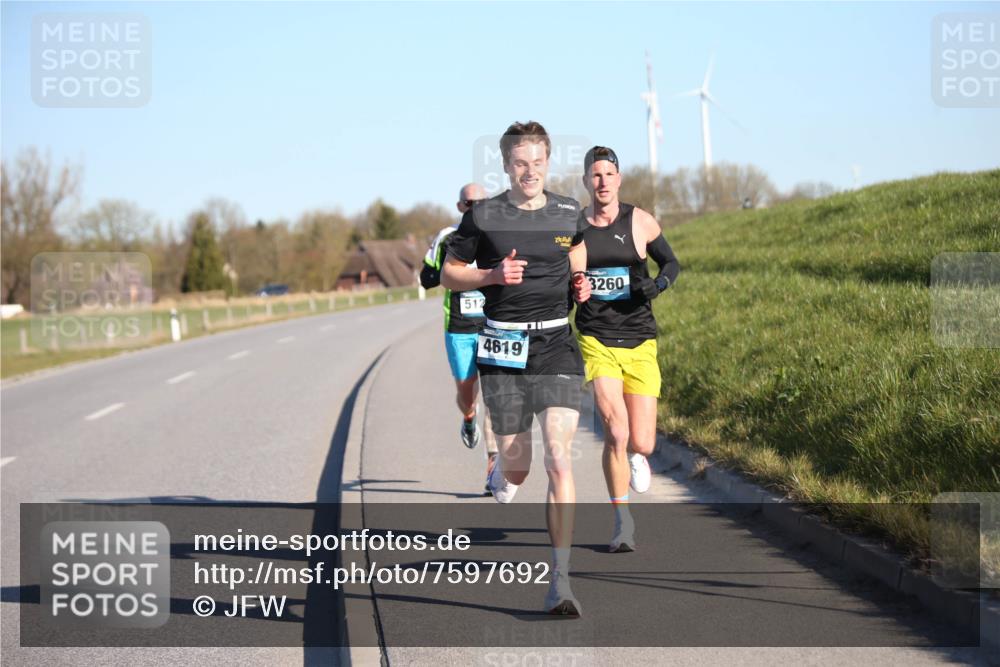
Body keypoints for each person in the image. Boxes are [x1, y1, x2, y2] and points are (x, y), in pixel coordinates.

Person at [442, 121, 591, 616]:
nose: (530, 171)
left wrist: (581, 280)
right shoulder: (484, 216)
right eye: (520, 162)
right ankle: (502, 475)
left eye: (538, 162)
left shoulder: (569, 211)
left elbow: (578, 250)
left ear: (549, 162)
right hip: (503, 348)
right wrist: (489, 274)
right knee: (519, 465)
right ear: (506, 165)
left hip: (556, 346)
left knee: (559, 459)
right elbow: (448, 274)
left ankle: (561, 582)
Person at [576, 146, 680, 553]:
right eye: (595, 175)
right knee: (615, 432)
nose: (602, 181)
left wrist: (658, 285)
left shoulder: (639, 221)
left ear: (619, 180)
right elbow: (571, 279)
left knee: (644, 442)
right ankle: (622, 522)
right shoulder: (575, 229)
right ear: (586, 181)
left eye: (609, 174)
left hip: (640, 340)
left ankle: (639, 455)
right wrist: (577, 286)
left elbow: (671, 263)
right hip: (597, 338)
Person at [419, 183, 499, 493]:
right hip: (460, 328)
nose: (476, 208)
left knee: (494, 394)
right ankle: (468, 416)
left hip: (494, 325)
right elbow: (427, 277)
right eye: (470, 203)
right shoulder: (447, 236)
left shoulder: (499, 234)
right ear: (460, 206)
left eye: (482, 202)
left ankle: (493, 466)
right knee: (468, 393)